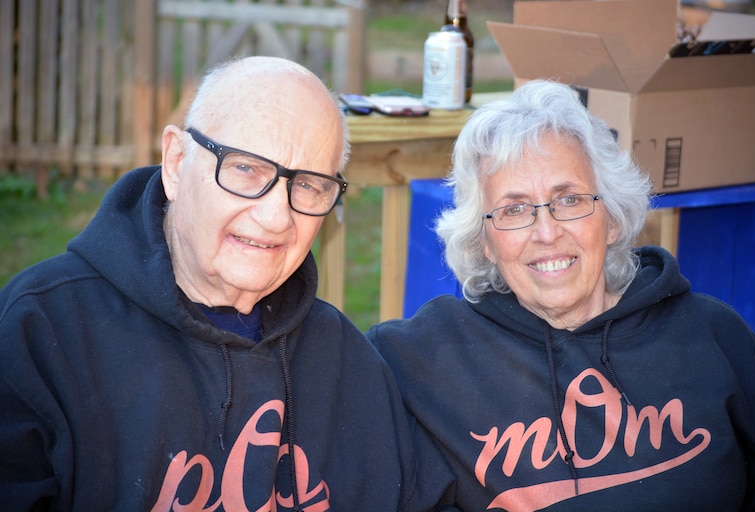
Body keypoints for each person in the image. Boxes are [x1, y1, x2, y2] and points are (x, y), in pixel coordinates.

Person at [0, 56, 456, 511]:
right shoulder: (39, 334)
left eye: (309, 185)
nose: (277, 217)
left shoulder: (347, 363)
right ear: (176, 163)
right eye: (245, 169)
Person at [367, 79, 755, 511]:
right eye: (514, 209)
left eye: (570, 199)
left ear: (611, 218)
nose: (546, 232)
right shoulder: (425, 360)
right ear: (484, 240)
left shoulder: (712, 338)